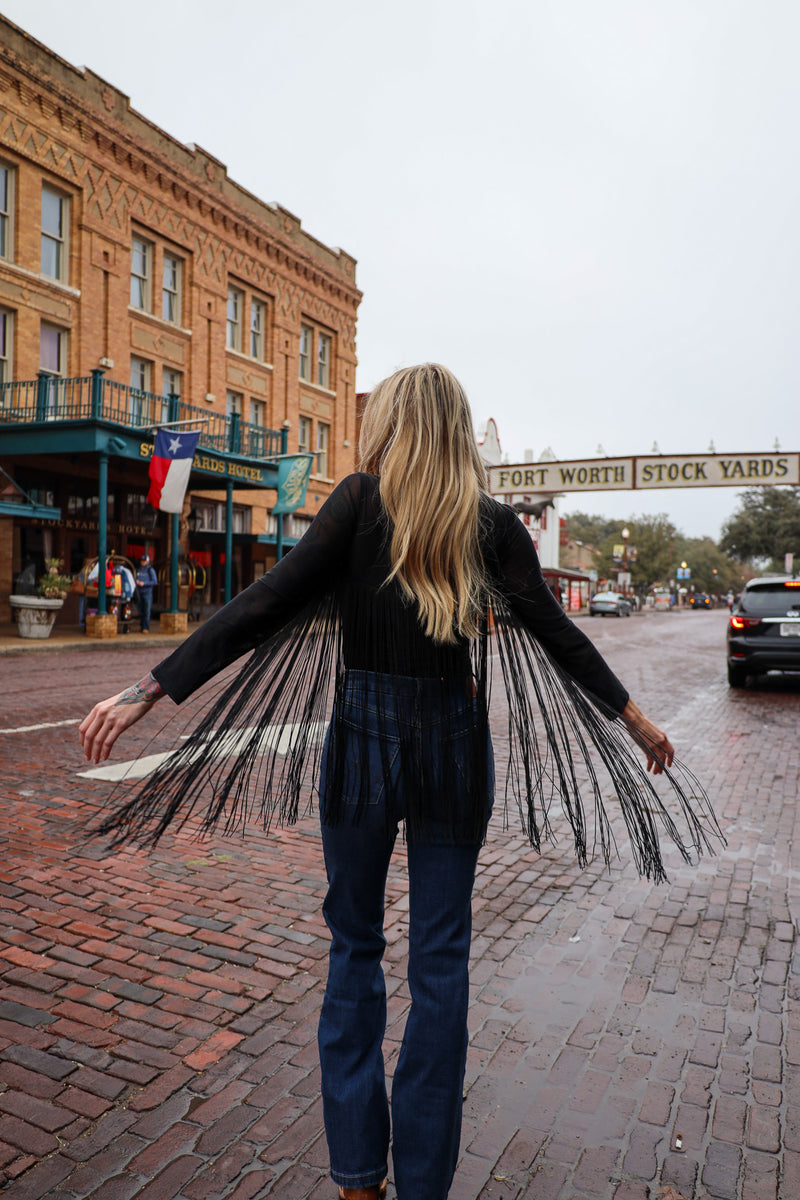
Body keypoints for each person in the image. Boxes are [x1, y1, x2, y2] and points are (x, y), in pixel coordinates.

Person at [80, 364, 718, 1200]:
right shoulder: (490, 524)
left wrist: (145, 693)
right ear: (457, 431)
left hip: (365, 735)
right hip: (454, 738)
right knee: (440, 961)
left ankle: (356, 1179)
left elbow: (264, 602)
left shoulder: (355, 501)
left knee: (354, 947)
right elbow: (559, 635)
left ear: (390, 425)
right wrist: (635, 719)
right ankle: (422, 1183)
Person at [135, 554, 158, 633]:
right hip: (139, 592)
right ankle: (142, 627)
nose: (143, 562)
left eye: (144, 561)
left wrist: (144, 583)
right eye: (142, 560)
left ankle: (146, 627)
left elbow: (155, 581)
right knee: (140, 610)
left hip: (147, 593)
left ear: (147, 561)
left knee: (146, 611)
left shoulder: (150, 570)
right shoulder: (138, 570)